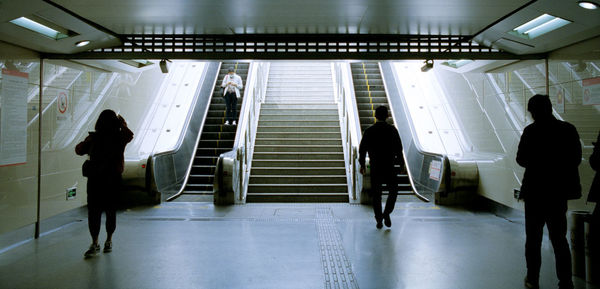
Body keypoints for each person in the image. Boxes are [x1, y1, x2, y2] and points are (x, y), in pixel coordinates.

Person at [516, 94, 581, 289]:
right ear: (550, 108)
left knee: (533, 240)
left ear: (533, 111)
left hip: (535, 192)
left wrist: (538, 163)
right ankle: (566, 281)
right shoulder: (568, 130)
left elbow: (520, 159)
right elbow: (576, 158)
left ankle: (532, 279)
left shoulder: (530, 131)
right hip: (558, 192)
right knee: (559, 239)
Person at [76, 109, 134, 258]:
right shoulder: (119, 137)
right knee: (110, 210)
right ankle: (109, 240)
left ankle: (95, 242)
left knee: (94, 212)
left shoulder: (93, 138)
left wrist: (88, 142)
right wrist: (123, 124)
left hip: (95, 179)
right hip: (113, 179)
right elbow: (129, 135)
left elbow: (79, 150)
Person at [359, 106, 403, 229]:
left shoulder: (369, 131)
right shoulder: (392, 130)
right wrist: (401, 164)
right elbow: (399, 149)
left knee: (376, 194)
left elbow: (362, 150)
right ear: (387, 116)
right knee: (393, 191)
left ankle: (379, 219)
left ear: (375, 116)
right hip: (389, 166)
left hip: (375, 167)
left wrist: (362, 164)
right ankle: (387, 213)